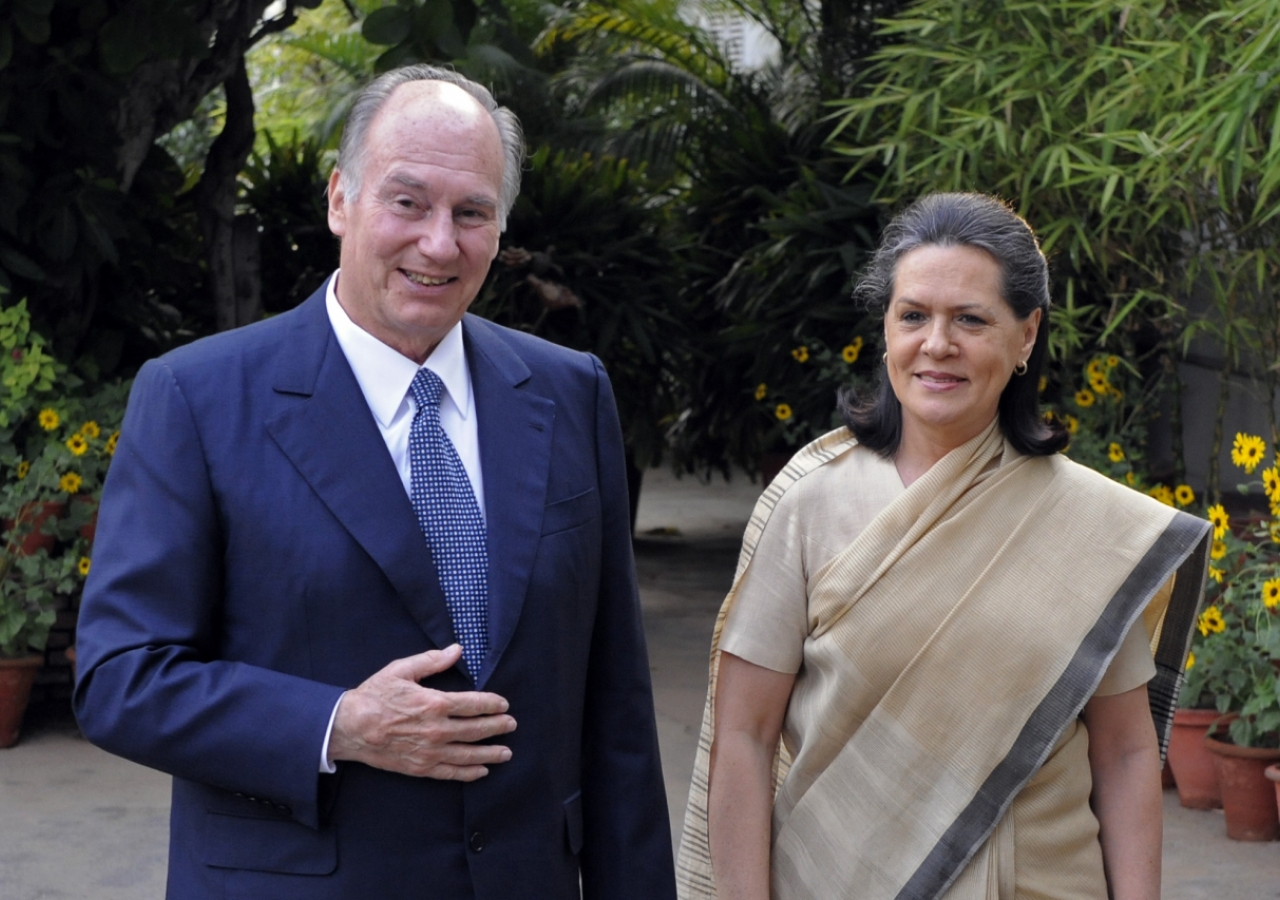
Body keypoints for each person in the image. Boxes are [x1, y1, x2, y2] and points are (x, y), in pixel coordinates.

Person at [73, 64, 676, 900]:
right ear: (339, 201)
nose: (439, 243)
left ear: (501, 229)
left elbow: (617, 710)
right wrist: (337, 725)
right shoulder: (197, 399)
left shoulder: (570, 393)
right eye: (408, 202)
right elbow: (120, 678)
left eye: (472, 213)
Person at [676, 193, 1210, 900]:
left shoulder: (1088, 525)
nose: (937, 345)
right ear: (886, 329)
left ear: (1026, 337)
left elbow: (1125, 749)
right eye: (913, 316)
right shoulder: (811, 504)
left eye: (970, 320)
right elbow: (743, 737)